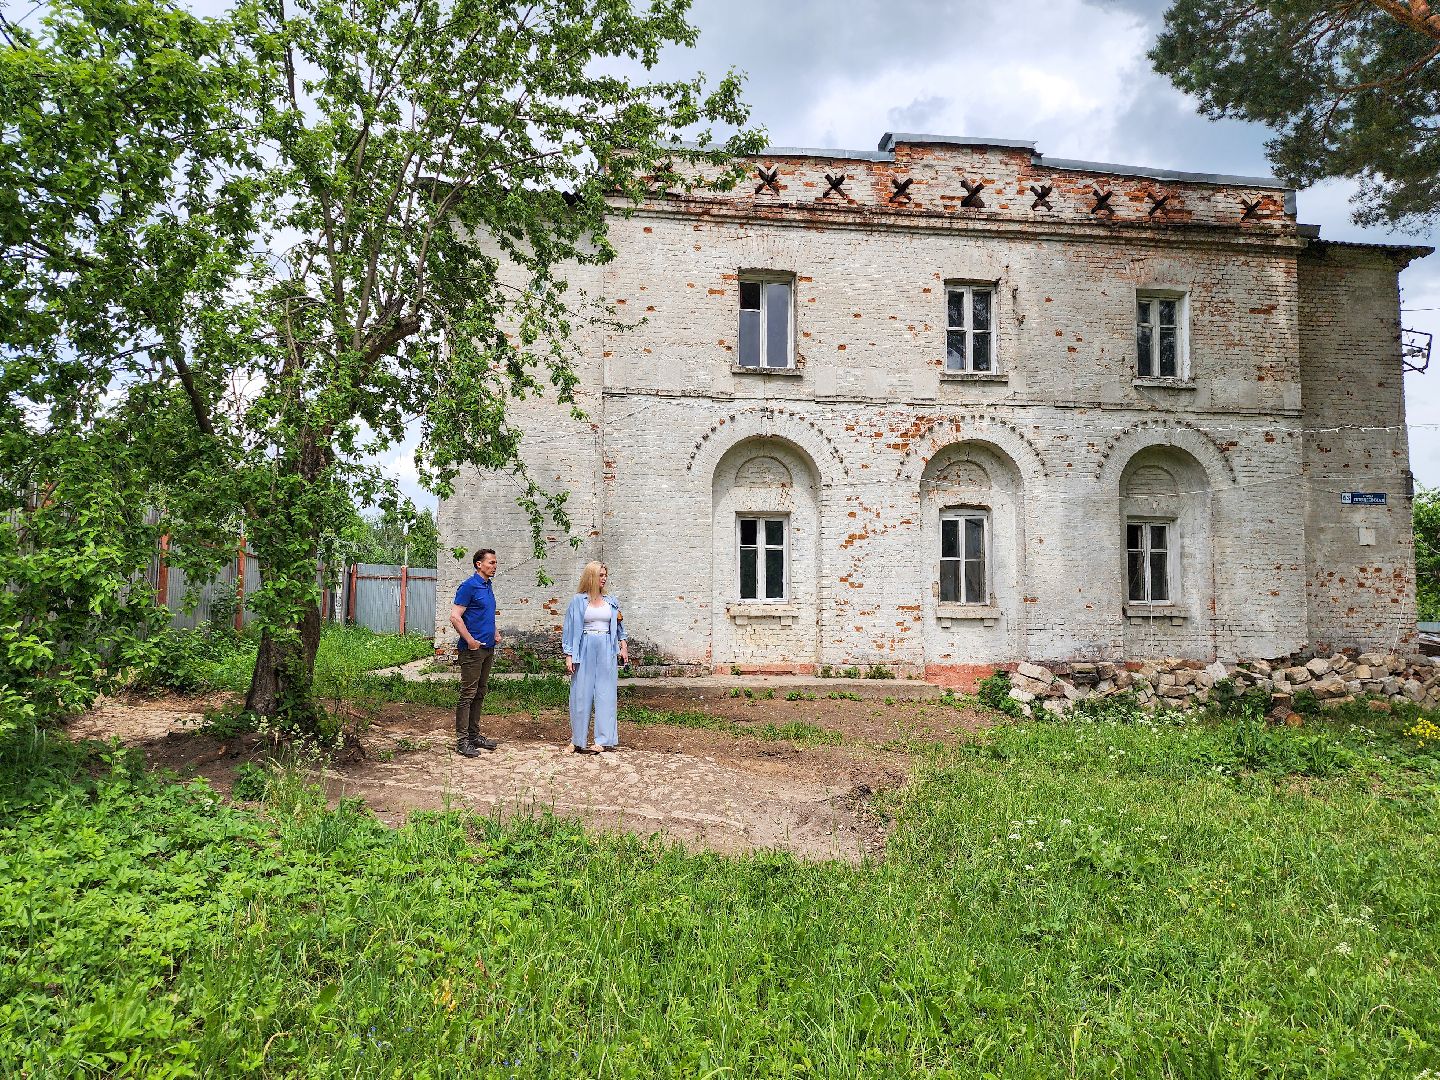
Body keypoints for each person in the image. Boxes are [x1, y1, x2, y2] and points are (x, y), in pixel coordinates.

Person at [561, 561, 628, 753]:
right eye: (600, 575)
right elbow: (568, 628)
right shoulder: (578, 601)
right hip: (584, 647)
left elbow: (620, 627)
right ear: (591, 577)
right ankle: (577, 740)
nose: (604, 578)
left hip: (607, 646)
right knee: (580, 694)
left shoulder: (612, 601)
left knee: (606, 693)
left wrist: (623, 646)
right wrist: (569, 654)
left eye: (605, 575)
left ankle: (603, 740)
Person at [449, 548, 502, 757]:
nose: (494, 566)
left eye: (496, 563)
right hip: (473, 651)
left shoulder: (488, 586)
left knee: (480, 692)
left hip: (488, 647)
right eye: (491, 562)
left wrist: (495, 632)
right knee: (468, 694)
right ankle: (462, 741)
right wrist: (470, 640)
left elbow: (484, 615)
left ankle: (474, 735)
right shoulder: (469, 586)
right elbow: (455, 616)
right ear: (479, 564)